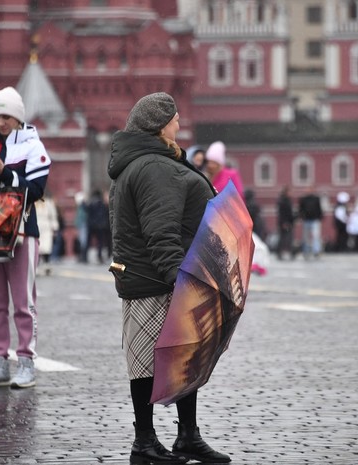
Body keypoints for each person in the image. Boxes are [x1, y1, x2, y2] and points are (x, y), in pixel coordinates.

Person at [108, 92, 230, 464]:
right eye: (175, 119)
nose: (179, 125)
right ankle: (144, 442)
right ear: (161, 125)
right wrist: (180, 281)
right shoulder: (153, 168)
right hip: (155, 280)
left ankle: (186, 436)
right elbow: (161, 231)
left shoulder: (155, 161)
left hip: (154, 276)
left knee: (183, 356)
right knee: (147, 360)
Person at [0, 86, 51, 389]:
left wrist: (4, 172)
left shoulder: (32, 145)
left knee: (23, 303)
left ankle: (26, 362)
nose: (0, 122)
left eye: (6, 116)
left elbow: (36, 189)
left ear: (18, 118)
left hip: (21, 232)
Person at [34, 195, 59, 275]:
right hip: (37, 226)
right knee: (37, 247)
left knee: (47, 247)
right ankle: (36, 265)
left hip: (46, 227)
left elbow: (53, 216)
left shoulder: (48, 203)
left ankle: (47, 264)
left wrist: (54, 227)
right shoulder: (33, 202)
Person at [86, 189, 110, 264]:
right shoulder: (102, 204)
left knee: (88, 241)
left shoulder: (91, 203)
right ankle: (99, 256)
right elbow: (105, 214)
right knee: (100, 242)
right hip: (100, 226)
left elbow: (88, 213)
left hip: (92, 225)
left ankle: (85, 257)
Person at [298, 191, 323, 259]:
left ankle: (316, 251)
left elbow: (319, 208)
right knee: (306, 237)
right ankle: (306, 251)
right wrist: (301, 216)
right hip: (306, 220)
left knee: (316, 236)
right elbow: (300, 208)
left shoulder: (316, 199)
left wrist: (320, 217)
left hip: (314, 220)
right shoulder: (304, 199)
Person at [276, 187, 295, 260]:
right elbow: (282, 213)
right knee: (284, 238)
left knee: (287, 238)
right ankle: (281, 252)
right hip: (285, 223)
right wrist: (284, 222)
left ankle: (286, 252)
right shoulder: (283, 201)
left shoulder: (287, 201)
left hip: (288, 222)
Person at [74, 192, 88, 263]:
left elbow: (80, 217)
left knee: (83, 242)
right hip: (83, 225)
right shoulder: (83, 206)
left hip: (82, 226)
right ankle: (83, 257)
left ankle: (83, 257)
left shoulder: (82, 207)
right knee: (83, 242)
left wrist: (76, 225)